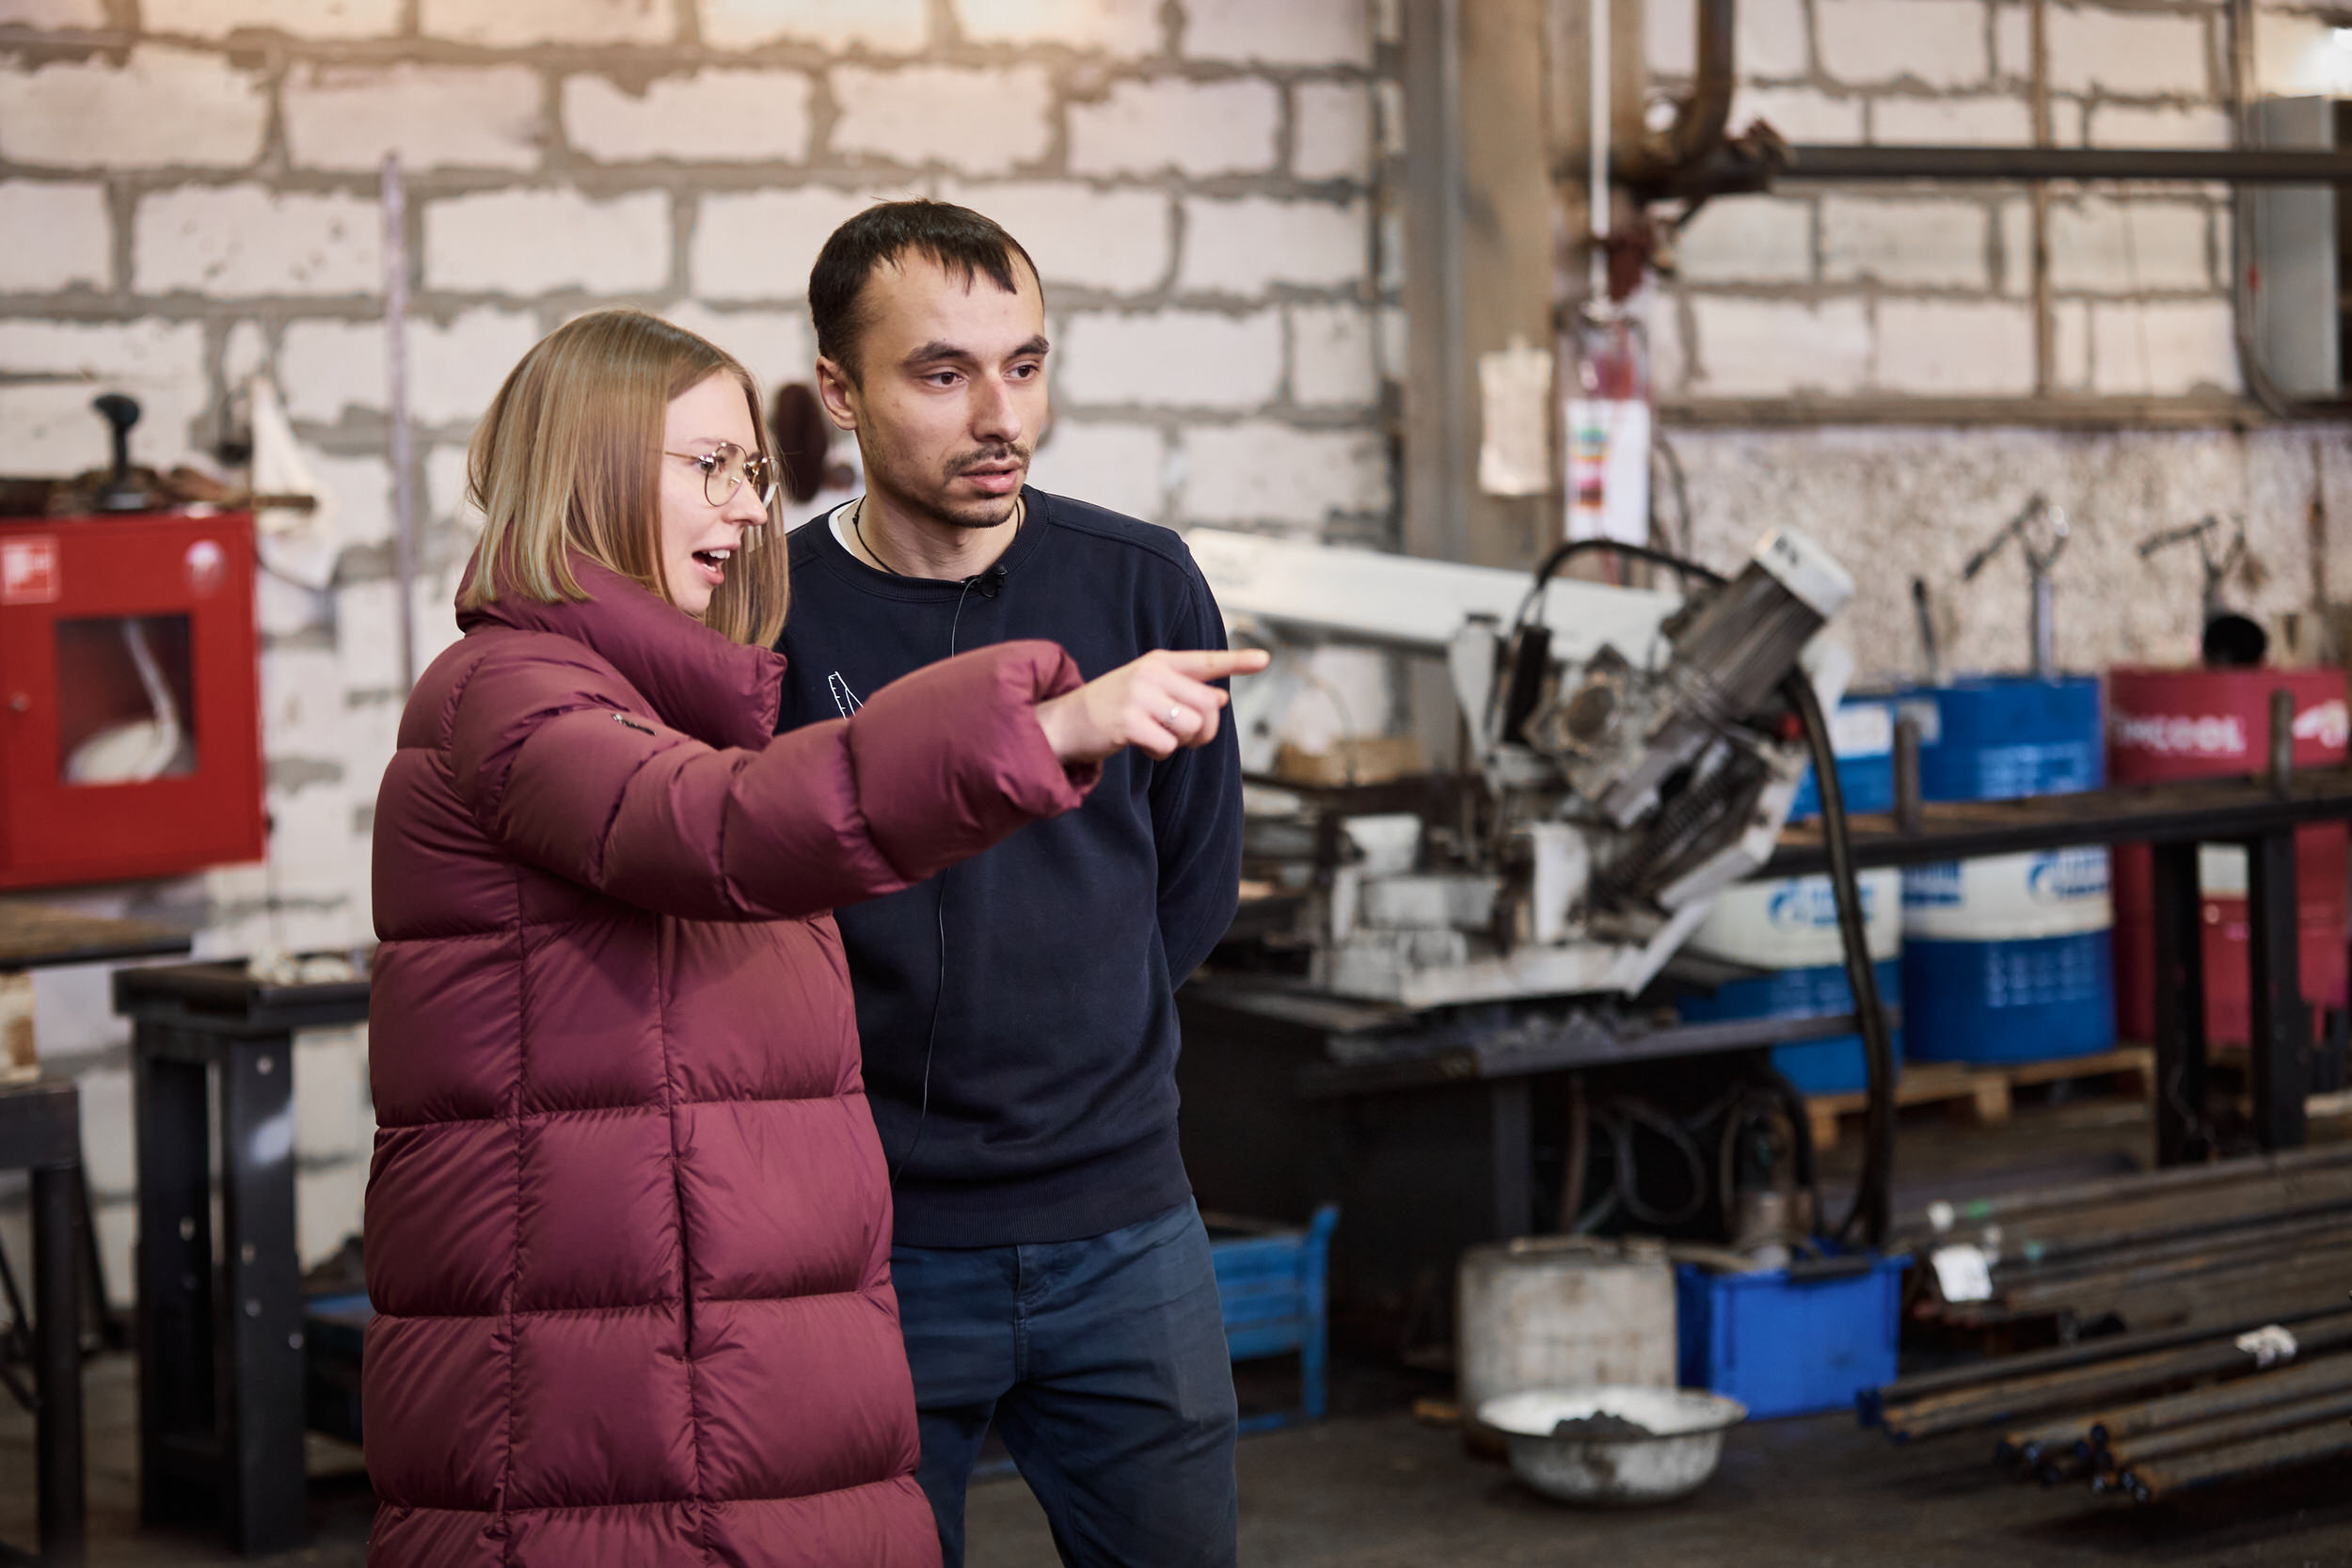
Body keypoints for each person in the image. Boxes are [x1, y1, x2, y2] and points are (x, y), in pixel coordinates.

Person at [362, 308, 1261, 1567]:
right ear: (594, 465)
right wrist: (1034, 732)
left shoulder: (652, 696)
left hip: (712, 1298)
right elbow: (711, 829)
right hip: (610, 1333)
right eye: (705, 468)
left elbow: (1190, 883)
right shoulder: (513, 693)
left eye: (750, 471)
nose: (743, 508)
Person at [773, 200, 1249, 1567]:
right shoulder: (771, 618)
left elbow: (1193, 884)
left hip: (1126, 1230)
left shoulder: (1142, 583)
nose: (1001, 415)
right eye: (943, 372)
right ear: (839, 392)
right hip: (866, 1243)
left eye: (1026, 365)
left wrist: (1078, 1049)